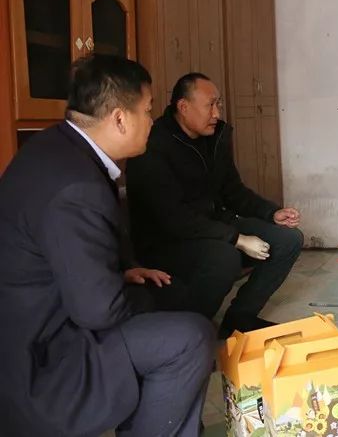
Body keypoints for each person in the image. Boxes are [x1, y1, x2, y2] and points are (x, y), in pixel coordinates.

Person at [0, 55, 215, 437]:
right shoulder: (77, 187)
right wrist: (123, 289)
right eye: (147, 110)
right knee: (191, 337)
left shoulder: (54, 148)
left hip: (40, 320)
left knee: (168, 295)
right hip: (40, 360)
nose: (152, 121)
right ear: (119, 119)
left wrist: (119, 274)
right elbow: (98, 310)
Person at [126, 72, 303, 337]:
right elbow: (173, 218)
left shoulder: (215, 137)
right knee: (224, 257)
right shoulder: (155, 145)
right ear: (183, 107)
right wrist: (236, 239)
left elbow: (233, 191)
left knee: (288, 239)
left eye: (218, 104)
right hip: (167, 240)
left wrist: (272, 212)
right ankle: (190, 332)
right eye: (210, 105)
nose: (217, 113)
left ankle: (240, 318)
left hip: (212, 226)